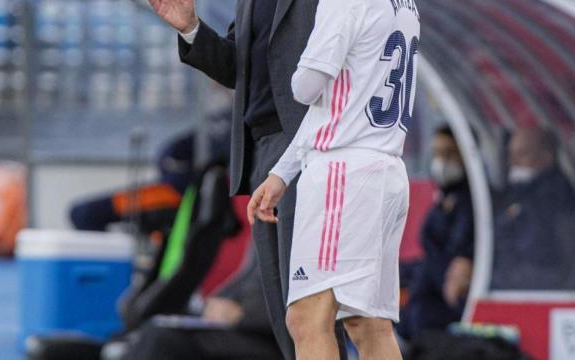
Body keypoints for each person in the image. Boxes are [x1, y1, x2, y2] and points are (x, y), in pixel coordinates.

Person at [147, 0, 343, 358]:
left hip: (307, 146)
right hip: (263, 153)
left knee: (311, 315)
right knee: (286, 314)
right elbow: (237, 67)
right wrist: (191, 28)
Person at [247, 0, 421, 358]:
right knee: (368, 323)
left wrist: (300, 61)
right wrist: (282, 173)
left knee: (306, 318)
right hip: (383, 167)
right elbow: (334, 104)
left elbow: (306, 88)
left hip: (344, 176)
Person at [123, 250, 284, 360]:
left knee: (162, 339)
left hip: (269, 339)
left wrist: (243, 315)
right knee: (156, 326)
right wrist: (215, 302)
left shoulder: (295, 226)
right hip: (240, 326)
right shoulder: (266, 222)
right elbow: (244, 276)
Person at [405, 125, 474, 338]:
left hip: (444, 305)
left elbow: (457, 249)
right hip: (426, 293)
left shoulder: (471, 201)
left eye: (449, 153)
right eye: (437, 153)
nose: (441, 161)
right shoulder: (444, 197)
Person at [491, 126, 575, 290]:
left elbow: (534, 252)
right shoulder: (517, 191)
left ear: (546, 158)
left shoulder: (553, 197)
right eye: (510, 155)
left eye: (522, 154)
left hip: (533, 284)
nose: (512, 162)